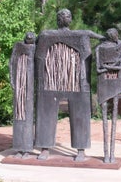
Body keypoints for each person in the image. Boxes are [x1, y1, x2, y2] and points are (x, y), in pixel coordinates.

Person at [35, 9, 105, 161]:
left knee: (80, 113)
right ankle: (44, 147)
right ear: (59, 19)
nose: (68, 18)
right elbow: (38, 54)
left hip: (76, 80)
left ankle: (81, 149)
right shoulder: (47, 35)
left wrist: (110, 39)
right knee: (45, 112)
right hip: (50, 79)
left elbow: (99, 37)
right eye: (64, 15)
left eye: (69, 15)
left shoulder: (81, 34)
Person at [96, 28, 121, 163]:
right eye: (116, 35)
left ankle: (112, 154)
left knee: (114, 115)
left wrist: (107, 67)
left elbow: (120, 67)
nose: (117, 36)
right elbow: (98, 68)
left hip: (116, 82)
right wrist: (112, 66)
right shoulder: (100, 49)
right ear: (112, 36)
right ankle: (106, 154)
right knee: (104, 117)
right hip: (104, 83)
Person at [9, 32, 36, 159]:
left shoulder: (35, 48)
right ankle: (19, 148)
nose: (30, 38)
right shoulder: (18, 46)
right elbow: (12, 62)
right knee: (19, 116)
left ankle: (27, 149)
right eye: (28, 36)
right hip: (20, 85)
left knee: (28, 117)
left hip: (30, 88)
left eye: (32, 37)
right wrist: (12, 80)